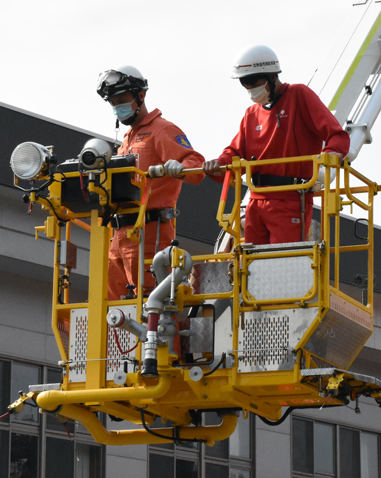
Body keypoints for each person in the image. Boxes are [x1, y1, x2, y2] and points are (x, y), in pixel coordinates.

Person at [202, 45, 350, 245]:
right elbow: (234, 152)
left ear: (271, 76)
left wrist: (328, 159)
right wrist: (217, 165)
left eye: (252, 81)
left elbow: (338, 136)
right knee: (252, 269)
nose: (249, 87)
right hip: (255, 203)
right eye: (244, 82)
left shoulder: (299, 95)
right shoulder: (251, 114)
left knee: (280, 265)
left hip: (290, 200)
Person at [97, 65, 204, 299]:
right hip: (119, 234)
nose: (117, 107)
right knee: (112, 306)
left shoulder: (162, 130)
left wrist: (180, 167)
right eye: (113, 102)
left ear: (141, 95)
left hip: (150, 232)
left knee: (154, 304)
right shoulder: (127, 139)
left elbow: (196, 165)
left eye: (121, 99)